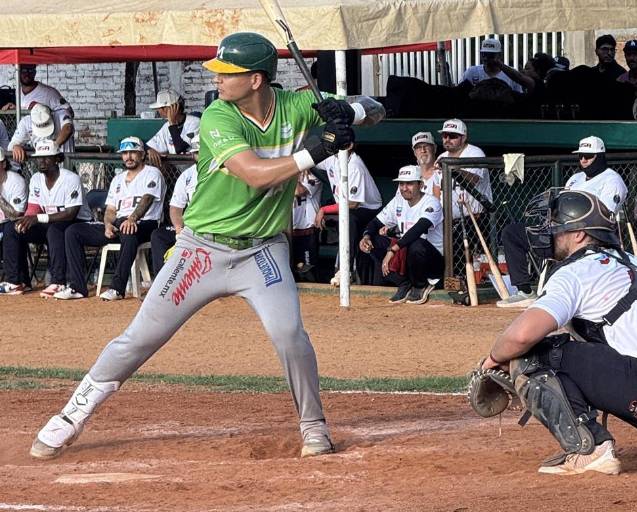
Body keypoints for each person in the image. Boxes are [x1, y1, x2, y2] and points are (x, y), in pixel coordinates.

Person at [29, 31, 384, 461]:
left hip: (262, 252)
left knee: (290, 334)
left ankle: (313, 427)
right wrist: (317, 149)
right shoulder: (219, 116)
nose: (215, 78)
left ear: (256, 80)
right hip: (202, 251)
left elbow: (378, 110)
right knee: (138, 338)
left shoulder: (294, 105)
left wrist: (349, 111)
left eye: (225, 72)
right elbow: (255, 173)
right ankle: (70, 416)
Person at [481, 188, 637, 475]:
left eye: (556, 227)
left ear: (579, 234)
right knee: (606, 352)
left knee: (532, 356)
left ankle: (589, 450)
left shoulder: (577, 271)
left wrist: (493, 359)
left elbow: (521, 335)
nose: (549, 233)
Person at [497, 136, 627, 308]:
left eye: (588, 156)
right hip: (559, 233)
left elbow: (604, 218)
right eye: (580, 155)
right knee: (512, 233)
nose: (583, 160)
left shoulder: (612, 180)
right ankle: (525, 291)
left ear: (600, 156)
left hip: (589, 239)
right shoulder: (576, 178)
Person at [53, 137, 166, 301]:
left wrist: (132, 219)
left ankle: (117, 288)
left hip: (145, 223)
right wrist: (107, 224)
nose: (128, 157)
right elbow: (111, 209)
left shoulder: (152, 173)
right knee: (73, 231)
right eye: (125, 153)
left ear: (142, 155)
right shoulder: (118, 179)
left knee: (129, 231)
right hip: (119, 223)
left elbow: (147, 200)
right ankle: (77, 287)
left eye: (133, 153)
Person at [0, 139, 90, 297]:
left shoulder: (71, 178)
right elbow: (34, 208)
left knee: (55, 229)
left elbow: (71, 213)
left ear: (57, 158)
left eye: (46, 157)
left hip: (75, 223)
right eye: (38, 157)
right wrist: (25, 221)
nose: (41, 160)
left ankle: (58, 282)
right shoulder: (36, 178)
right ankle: (16, 282)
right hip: (48, 222)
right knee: (12, 228)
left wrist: (37, 218)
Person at [359, 165, 444, 304]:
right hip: (407, 255)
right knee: (373, 241)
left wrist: (392, 250)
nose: (404, 188)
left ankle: (420, 285)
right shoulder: (398, 201)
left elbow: (417, 230)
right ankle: (404, 283)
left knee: (416, 244)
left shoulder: (432, 202)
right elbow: (375, 223)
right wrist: (366, 236)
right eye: (401, 184)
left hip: (432, 261)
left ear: (420, 185)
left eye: (410, 183)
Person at [313, 145, 382, 285]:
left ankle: (346, 270)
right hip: (345, 207)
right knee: (317, 220)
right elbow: (310, 160)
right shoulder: (332, 158)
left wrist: (324, 210)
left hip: (368, 209)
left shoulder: (355, 165)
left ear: (349, 146)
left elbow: (353, 203)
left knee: (348, 220)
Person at [433, 118, 492, 277]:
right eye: (445, 136)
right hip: (449, 220)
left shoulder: (474, 152)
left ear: (463, 137)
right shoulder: (442, 156)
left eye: (452, 136)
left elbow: (473, 179)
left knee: (475, 262)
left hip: (475, 218)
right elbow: (436, 188)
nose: (447, 140)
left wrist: (451, 166)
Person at [148, 134, 199, 276]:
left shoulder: (223, 172)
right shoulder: (188, 176)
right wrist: (178, 228)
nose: (200, 155)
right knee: (159, 235)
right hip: (189, 228)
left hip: (214, 228)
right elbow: (176, 208)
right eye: (197, 153)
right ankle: (162, 282)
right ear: (193, 155)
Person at [145, 89, 201, 168]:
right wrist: (150, 150)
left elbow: (179, 148)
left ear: (169, 108)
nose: (158, 111)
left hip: (195, 170)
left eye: (160, 108)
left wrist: (172, 124)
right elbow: (148, 145)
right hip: (178, 173)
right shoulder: (167, 126)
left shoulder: (194, 122)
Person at [1, 64, 74, 118]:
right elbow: (27, 110)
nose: (27, 74)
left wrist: (44, 109)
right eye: (24, 70)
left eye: (30, 70)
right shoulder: (18, 92)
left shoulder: (49, 92)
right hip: (27, 136)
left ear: (35, 72)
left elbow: (70, 112)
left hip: (46, 136)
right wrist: (15, 109)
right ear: (18, 72)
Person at [9, 103, 75, 162]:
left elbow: (68, 129)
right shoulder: (26, 122)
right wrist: (15, 146)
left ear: (51, 114)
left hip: (65, 161)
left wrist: (55, 146)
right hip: (42, 164)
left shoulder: (61, 114)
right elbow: (11, 145)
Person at [460, 39, 527, 93]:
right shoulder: (471, 72)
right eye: (483, 55)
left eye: (490, 56)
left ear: (500, 55)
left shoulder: (511, 74)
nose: (486, 58)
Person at [291, 169, 322, 281]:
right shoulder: (286, 177)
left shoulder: (313, 176)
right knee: (292, 269)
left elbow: (298, 191)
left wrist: (291, 174)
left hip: (307, 230)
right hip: (290, 230)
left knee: (308, 270)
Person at [0, 147, 27, 233]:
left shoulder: (16, 181)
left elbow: (15, 216)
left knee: (10, 228)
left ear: (4, 164)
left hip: (7, 225)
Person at [410, 131, 440, 197]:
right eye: (418, 147)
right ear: (414, 152)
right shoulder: (409, 174)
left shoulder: (443, 172)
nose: (423, 150)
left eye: (426, 146)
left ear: (434, 148)